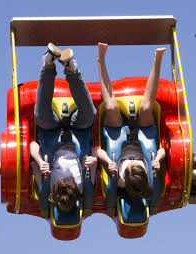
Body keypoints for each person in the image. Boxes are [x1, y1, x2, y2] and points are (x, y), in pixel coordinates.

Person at [30, 43, 97, 217]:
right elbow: (94, 150)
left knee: (40, 115)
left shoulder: (49, 184)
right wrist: (93, 160)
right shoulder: (83, 185)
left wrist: (39, 162)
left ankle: (48, 63)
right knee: (90, 114)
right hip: (78, 132)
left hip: (51, 134)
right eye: (71, 184)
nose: (68, 180)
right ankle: (71, 68)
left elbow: (31, 146)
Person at [97, 42, 166, 200]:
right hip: (143, 135)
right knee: (146, 108)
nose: (135, 164)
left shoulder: (120, 180)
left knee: (111, 107)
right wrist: (157, 160)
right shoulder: (148, 178)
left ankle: (100, 60)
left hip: (118, 137)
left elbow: (98, 151)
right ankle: (158, 60)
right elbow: (163, 151)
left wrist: (108, 162)